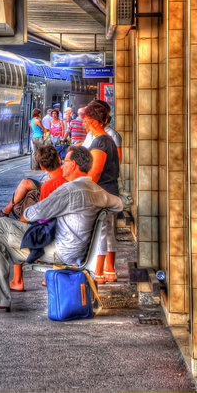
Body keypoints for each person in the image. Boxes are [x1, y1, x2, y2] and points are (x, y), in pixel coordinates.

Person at [0, 146, 124, 313]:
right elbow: (119, 204)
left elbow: (32, 213)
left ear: (73, 165)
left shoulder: (68, 190)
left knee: (1, 225)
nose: (62, 164)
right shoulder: (97, 190)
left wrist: (30, 207)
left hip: (61, 251)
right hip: (77, 250)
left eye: (65, 161)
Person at [0, 144, 67, 291]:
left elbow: (42, 216)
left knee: (9, 233)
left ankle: (14, 280)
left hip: (53, 238)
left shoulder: (49, 186)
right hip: (64, 232)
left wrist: (23, 219)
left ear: (41, 165)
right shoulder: (67, 178)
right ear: (60, 159)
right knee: (11, 226)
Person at [82, 102, 121, 284]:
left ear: (94, 121)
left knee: (100, 232)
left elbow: (95, 173)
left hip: (102, 193)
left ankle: (97, 272)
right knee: (105, 232)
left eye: (87, 119)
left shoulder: (101, 141)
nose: (84, 123)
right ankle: (103, 271)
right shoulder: (107, 139)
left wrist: (80, 188)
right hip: (108, 192)